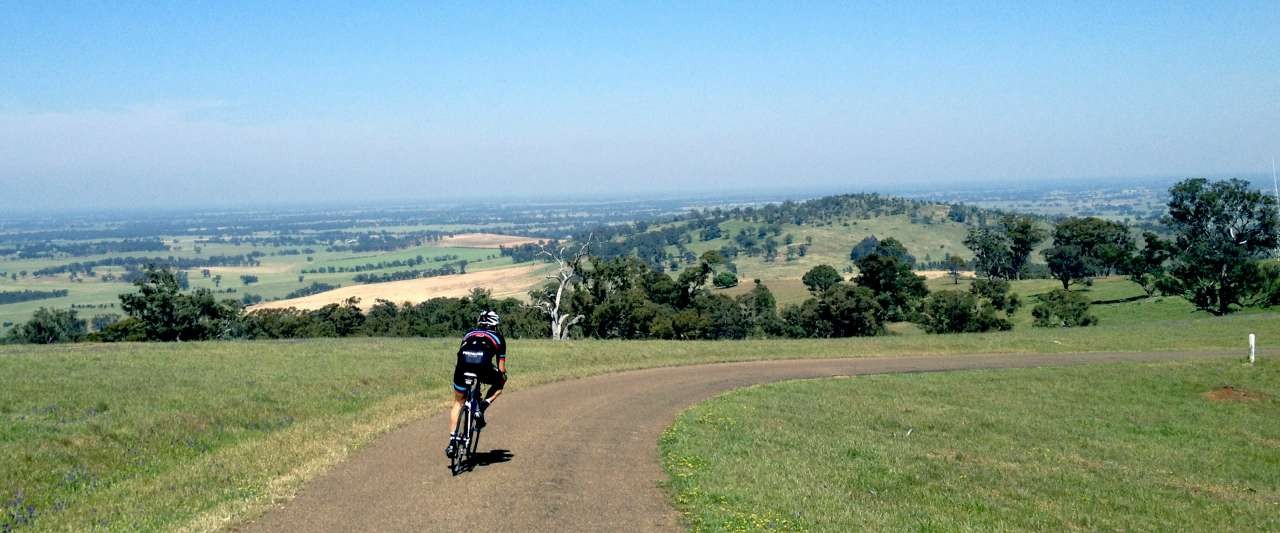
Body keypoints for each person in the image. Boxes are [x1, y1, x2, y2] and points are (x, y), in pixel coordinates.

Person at [445, 310, 507, 458]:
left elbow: (460, 353)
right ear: (495, 324)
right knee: (501, 381)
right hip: (483, 367)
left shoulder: (469, 333)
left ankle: (452, 442)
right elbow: (501, 367)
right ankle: (482, 407)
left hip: (462, 367)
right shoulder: (498, 337)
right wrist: (501, 374)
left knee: (458, 403)